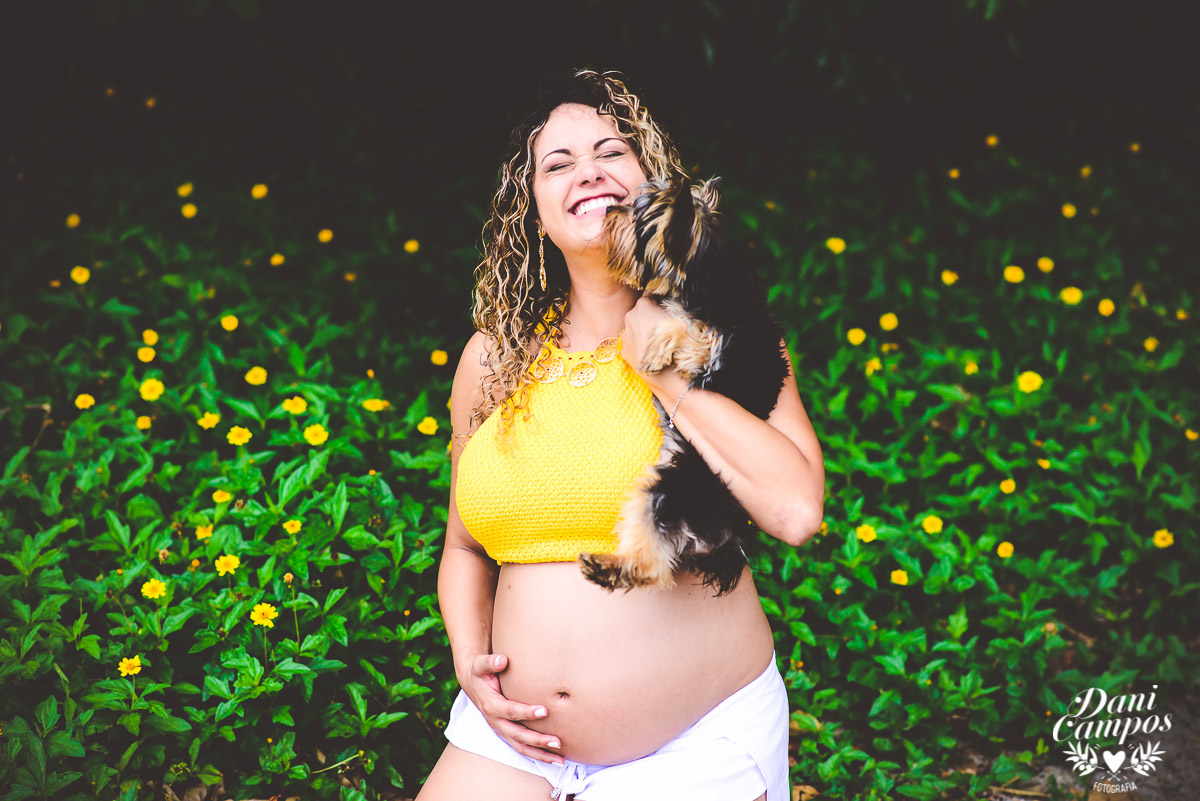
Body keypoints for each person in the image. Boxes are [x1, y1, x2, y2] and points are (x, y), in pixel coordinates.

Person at [415, 68, 825, 801]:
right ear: (534, 210)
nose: (589, 173)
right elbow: (463, 546)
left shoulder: (725, 333)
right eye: (559, 163)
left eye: (612, 152)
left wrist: (666, 374)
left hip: (693, 743)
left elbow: (796, 510)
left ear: (650, 180)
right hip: (512, 741)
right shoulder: (491, 360)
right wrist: (469, 657)